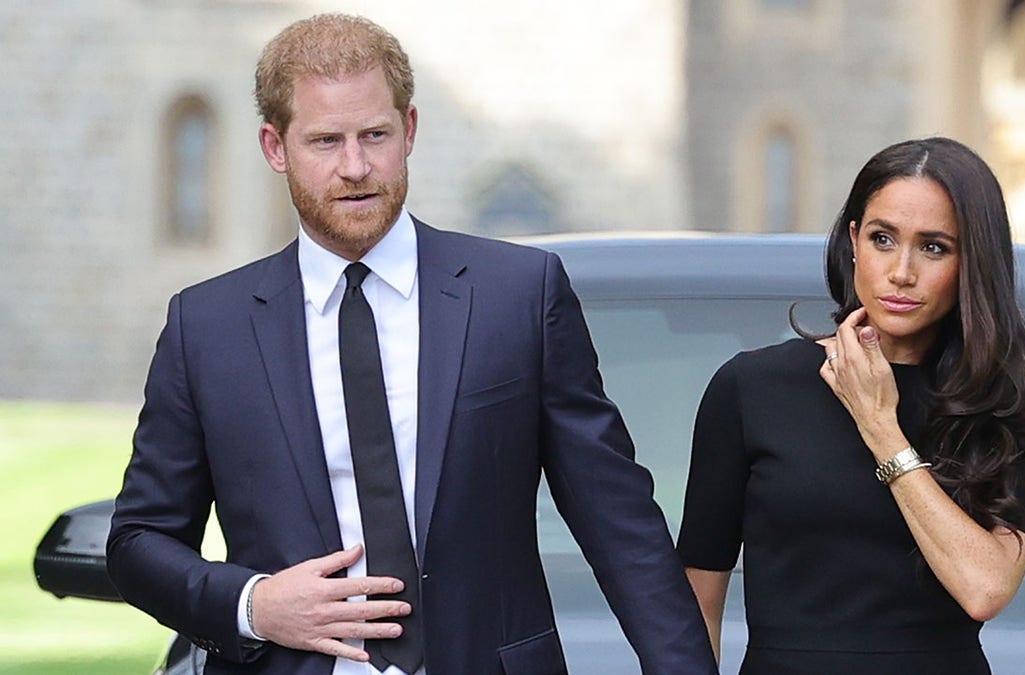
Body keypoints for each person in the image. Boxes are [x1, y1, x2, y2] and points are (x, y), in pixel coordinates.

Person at [107, 13, 716, 675]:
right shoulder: (207, 328)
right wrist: (255, 603)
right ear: (274, 147)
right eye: (325, 141)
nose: (355, 166)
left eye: (375, 135)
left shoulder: (518, 295)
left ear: (410, 131)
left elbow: (618, 521)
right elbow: (139, 541)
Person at [677, 137, 1025, 674]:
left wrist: (880, 426)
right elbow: (699, 592)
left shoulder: (1014, 414)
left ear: (972, 264)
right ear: (853, 242)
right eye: (883, 238)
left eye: (934, 247)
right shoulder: (753, 389)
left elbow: (984, 589)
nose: (902, 272)